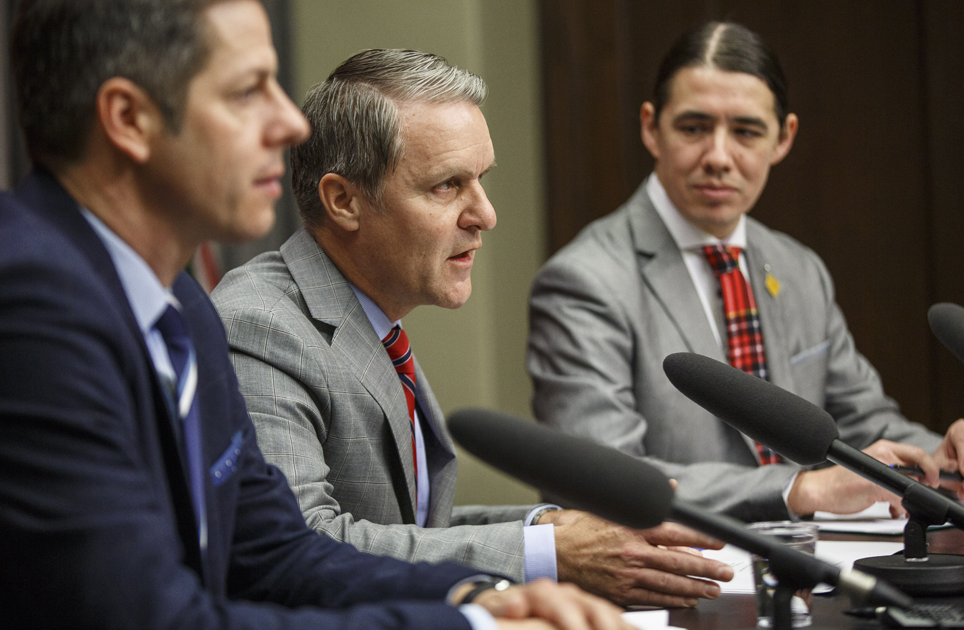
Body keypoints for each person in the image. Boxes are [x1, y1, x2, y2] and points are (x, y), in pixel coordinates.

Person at [0, 0, 634, 629]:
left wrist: (475, 598)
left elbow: (272, 550)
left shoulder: (182, 306)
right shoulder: (26, 308)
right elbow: (150, 617)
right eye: (248, 91)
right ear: (129, 118)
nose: (289, 123)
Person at [211, 48, 734, 608]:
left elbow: (408, 525)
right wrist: (549, 554)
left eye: (481, 180)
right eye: (447, 186)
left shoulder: (369, 315)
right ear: (343, 201)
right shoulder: (263, 326)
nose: (484, 214)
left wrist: (557, 528)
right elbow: (303, 544)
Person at [527, 21, 964, 523]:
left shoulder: (799, 268)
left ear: (783, 138)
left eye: (746, 131)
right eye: (693, 128)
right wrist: (800, 489)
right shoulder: (584, 281)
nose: (718, 156)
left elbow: (865, 422)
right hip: (672, 575)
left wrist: (945, 454)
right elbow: (604, 475)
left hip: (813, 570)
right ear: (651, 128)